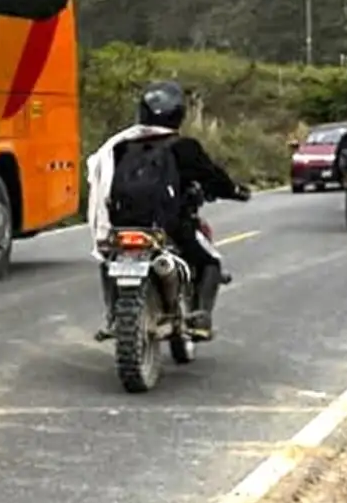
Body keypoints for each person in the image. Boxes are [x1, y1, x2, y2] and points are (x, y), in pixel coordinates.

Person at [87, 79, 251, 341]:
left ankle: (113, 317)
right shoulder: (183, 147)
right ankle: (200, 318)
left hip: (119, 224)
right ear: (179, 114)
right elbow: (213, 178)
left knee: (109, 261)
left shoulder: (118, 147)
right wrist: (236, 191)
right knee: (210, 262)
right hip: (169, 225)